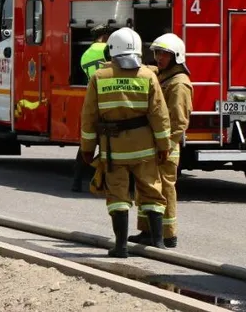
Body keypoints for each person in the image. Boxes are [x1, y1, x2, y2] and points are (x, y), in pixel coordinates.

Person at [80, 27, 173, 257]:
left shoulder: (99, 77)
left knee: (118, 197)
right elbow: (160, 116)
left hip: (114, 150)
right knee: (152, 191)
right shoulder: (148, 76)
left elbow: (89, 116)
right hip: (145, 148)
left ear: (111, 49)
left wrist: (87, 149)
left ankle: (121, 246)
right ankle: (159, 243)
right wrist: (164, 147)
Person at [129, 33, 193, 249]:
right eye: (157, 53)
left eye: (164, 54)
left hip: (166, 148)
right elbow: (149, 70)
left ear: (176, 56)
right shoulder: (164, 76)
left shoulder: (178, 84)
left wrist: (165, 146)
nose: (159, 58)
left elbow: (178, 121)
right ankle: (147, 230)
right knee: (147, 188)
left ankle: (168, 234)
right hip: (153, 145)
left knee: (164, 189)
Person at [72, 24, 114, 192]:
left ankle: (76, 181)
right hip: (109, 98)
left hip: (93, 99)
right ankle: (107, 181)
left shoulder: (85, 54)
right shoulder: (107, 49)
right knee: (110, 143)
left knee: (87, 143)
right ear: (104, 36)